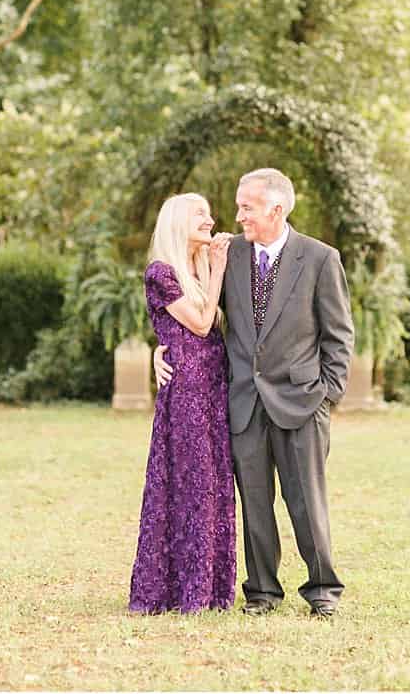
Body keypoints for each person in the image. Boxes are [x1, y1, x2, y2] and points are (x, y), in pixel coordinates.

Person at [154, 167, 354, 618]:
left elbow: (339, 336)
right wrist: (158, 348)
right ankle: (262, 590)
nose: (238, 214)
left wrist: (327, 397)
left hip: (303, 404)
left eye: (247, 206)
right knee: (255, 503)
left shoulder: (320, 259)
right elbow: (188, 306)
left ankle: (323, 587)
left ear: (275, 209)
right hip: (243, 403)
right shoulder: (229, 254)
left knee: (306, 501)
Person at [129, 193, 237, 613]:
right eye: (199, 214)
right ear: (177, 222)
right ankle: (180, 590)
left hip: (214, 388)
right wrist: (218, 268)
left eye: (210, 213)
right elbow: (201, 322)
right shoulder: (162, 272)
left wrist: (212, 264)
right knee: (189, 484)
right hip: (188, 392)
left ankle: (210, 588)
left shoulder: (198, 267)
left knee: (214, 483)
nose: (210, 220)